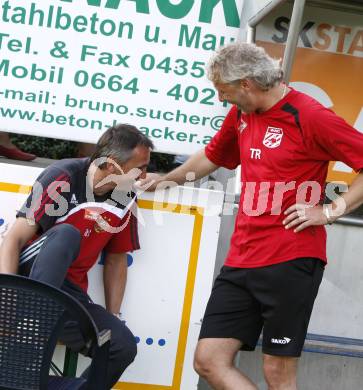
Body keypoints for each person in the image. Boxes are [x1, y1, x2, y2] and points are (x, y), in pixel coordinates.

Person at [139, 43, 363, 390]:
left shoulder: (311, 116)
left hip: (290, 259)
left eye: (224, 92)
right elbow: (212, 156)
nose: (221, 99)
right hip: (242, 259)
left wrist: (330, 210)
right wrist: (164, 182)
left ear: (246, 83)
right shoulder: (242, 114)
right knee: (209, 360)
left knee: (277, 372)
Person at [0, 123, 153, 389]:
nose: (144, 176)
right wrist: (7, 302)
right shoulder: (63, 175)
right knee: (67, 234)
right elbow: (14, 240)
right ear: (113, 165)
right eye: (139, 168)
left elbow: (117, 260)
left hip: (68, 295)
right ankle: (32, 325)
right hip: (28, 277)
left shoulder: (125, 196)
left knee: (120, 346)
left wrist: (112, 316)